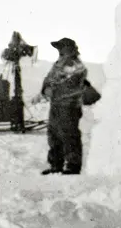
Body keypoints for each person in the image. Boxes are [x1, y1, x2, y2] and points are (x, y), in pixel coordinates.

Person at [39, 37, 91, 175]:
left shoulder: (74, 64)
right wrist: (45, 89)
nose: (59, 51)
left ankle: (73, 166)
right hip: (57, 104)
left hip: (69, 106)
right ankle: (56, 164)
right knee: (54, 134)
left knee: (68, 134)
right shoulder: (60, 63)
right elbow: (49, 79)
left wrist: (52, 90)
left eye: (61, 48)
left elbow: (72, 86)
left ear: (67, 48)